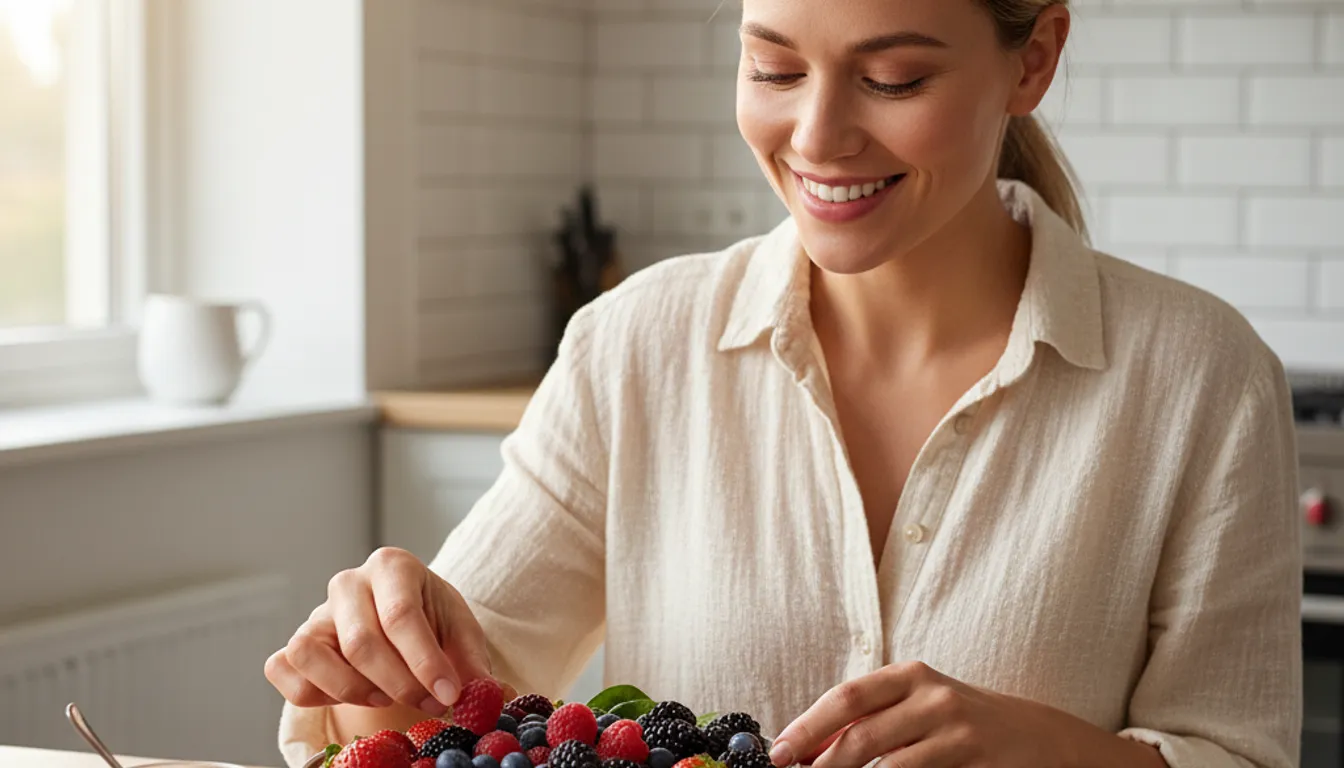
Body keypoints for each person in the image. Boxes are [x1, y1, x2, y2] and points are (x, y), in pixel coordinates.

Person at [265, 1, 1303, 766]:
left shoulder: (1203, 377)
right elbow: (452, 711)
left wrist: (1054, 752)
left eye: (893, 79)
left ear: (1033, 59)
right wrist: (378, 669)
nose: (816, 138)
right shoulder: (635, 344)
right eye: (772, 70)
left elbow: (1242, 752)